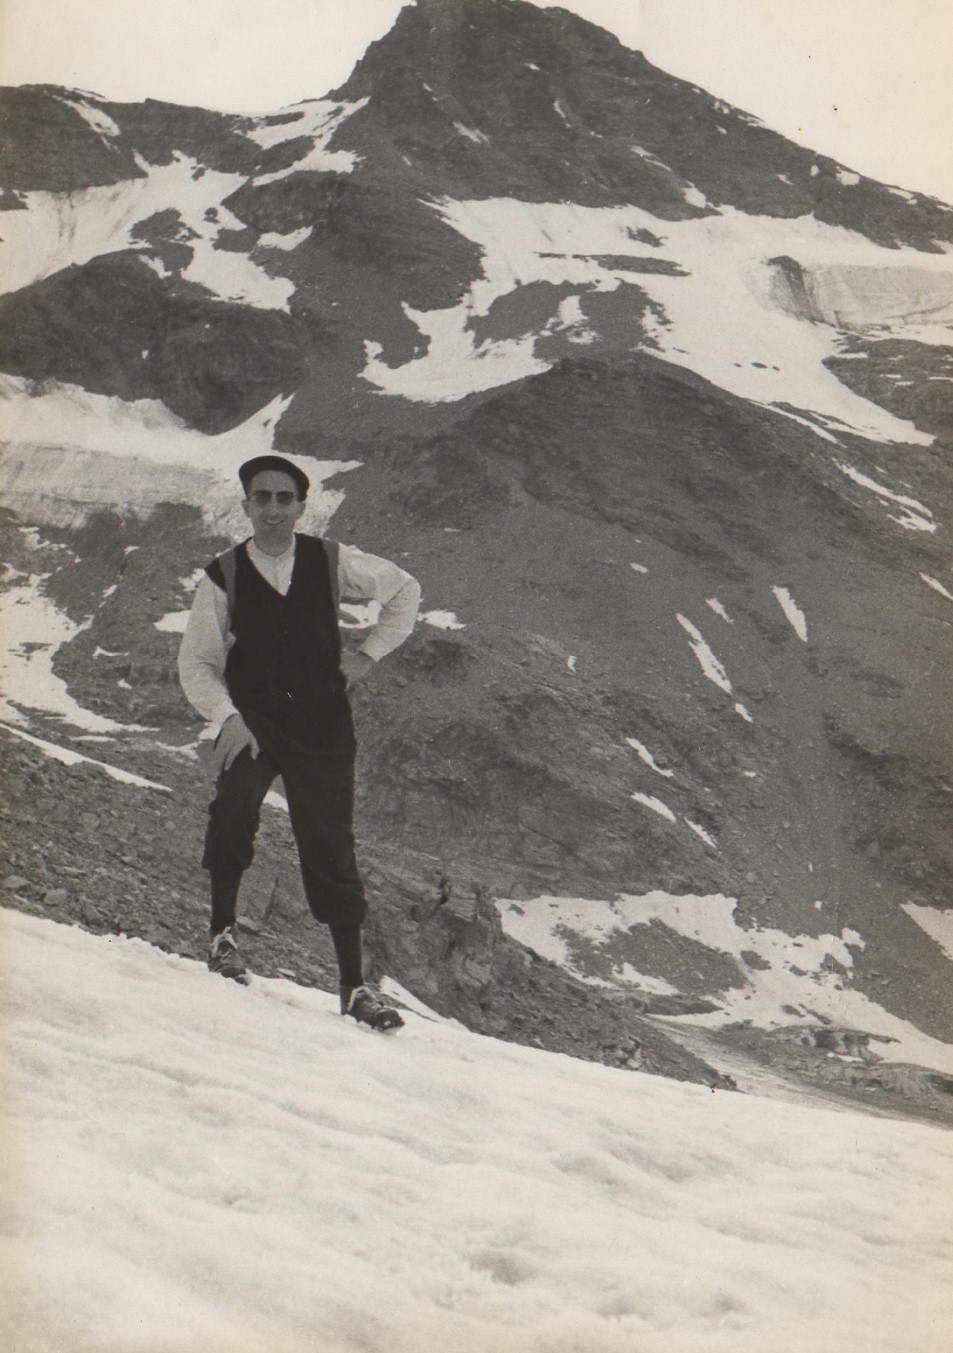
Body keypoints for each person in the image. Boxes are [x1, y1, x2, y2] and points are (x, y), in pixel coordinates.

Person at [178, 454, 421, 1031]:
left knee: (331, 842)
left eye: (284, 498)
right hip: (255, 720)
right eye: (261, 497)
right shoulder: (224, 573)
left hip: (322, 726)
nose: (273, 508)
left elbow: (405, 591)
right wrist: (227, 717)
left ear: (301, 506)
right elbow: (197, 662)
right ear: (246, 505)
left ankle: (354, 989)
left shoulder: (331, 560)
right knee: (234, 806)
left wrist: (368, 655)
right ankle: (222, 939)